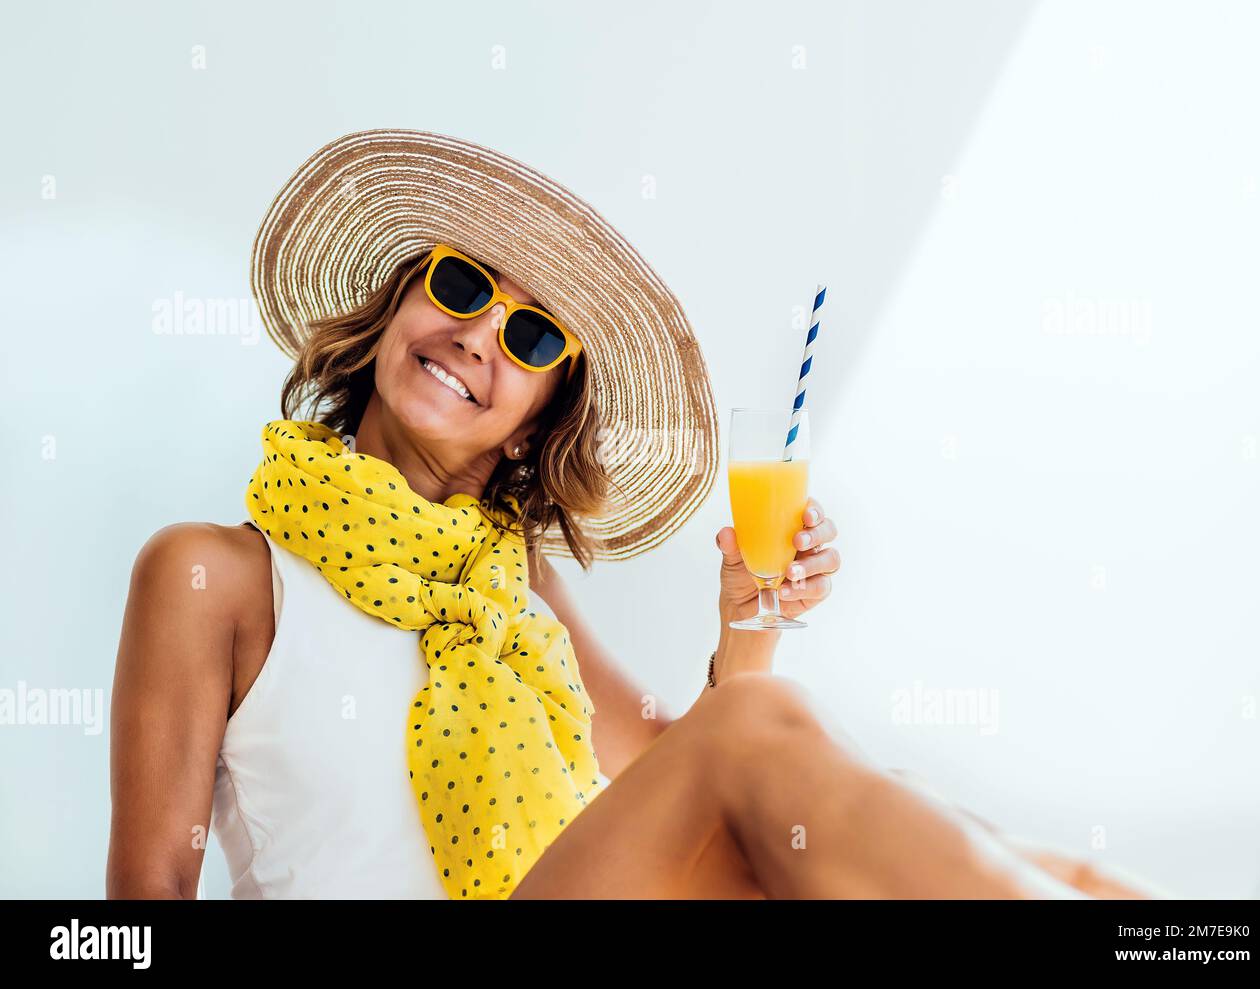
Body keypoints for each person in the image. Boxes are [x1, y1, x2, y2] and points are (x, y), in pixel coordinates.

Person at [108, 130, 1144, 900]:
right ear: (391, 313)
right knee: (770, 749)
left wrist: (748, 620)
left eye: (531, 339)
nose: (478, 336)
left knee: (967, 828)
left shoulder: (515, 593)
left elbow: (678, 777)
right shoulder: (214, 576)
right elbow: (144, 905)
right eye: (460, 284)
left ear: (529, 426)